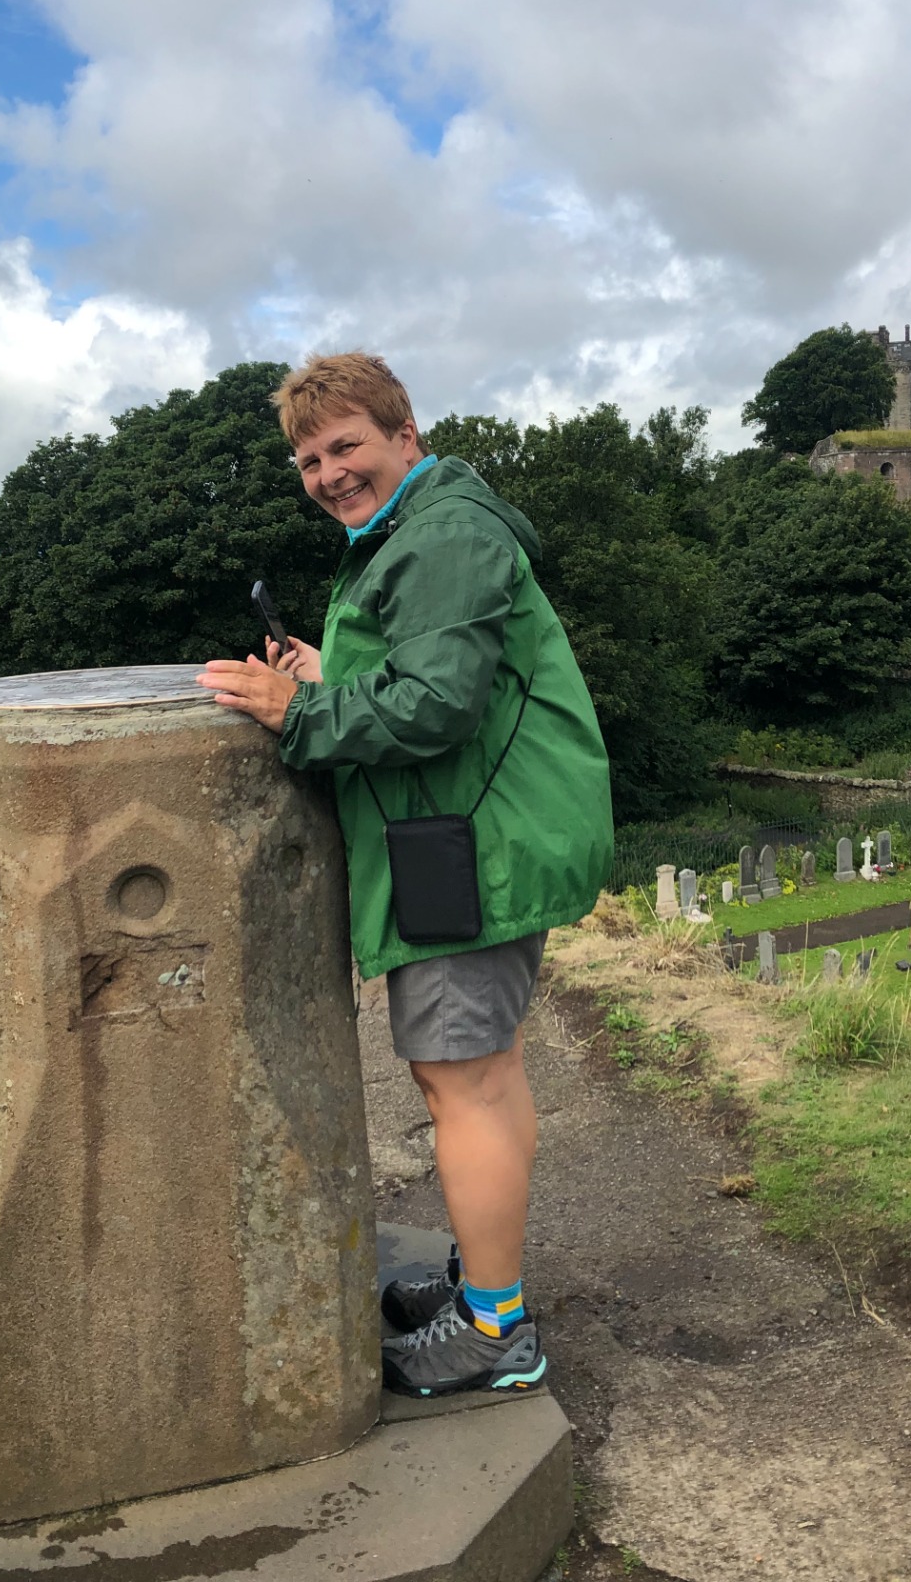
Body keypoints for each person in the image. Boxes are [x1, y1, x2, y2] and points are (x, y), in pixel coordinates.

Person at [198, 352, 613, 1398]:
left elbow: (436, 706)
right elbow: (426, 669)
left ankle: (495, 1333)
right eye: (309, 459)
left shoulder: (444, 535)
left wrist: (298, 710)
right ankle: (488, 1283)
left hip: (466, 844)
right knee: (487, 1071)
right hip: (478, 831)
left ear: (406, 438)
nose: (329, 472)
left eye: (347, 446)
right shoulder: (417, 531)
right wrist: (331, 676)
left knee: (460, 1081)